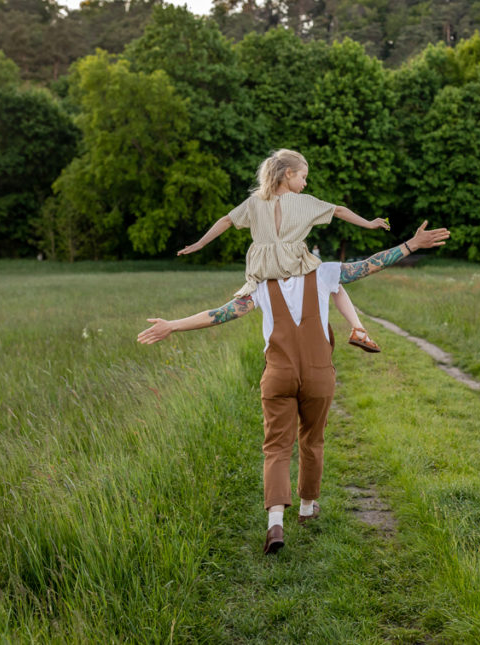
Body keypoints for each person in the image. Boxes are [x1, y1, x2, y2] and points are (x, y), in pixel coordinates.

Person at [138, 221, 450, 554]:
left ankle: (275, 522)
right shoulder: (326, 273)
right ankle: (306, 508)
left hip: (278, 375)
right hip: (318, 375)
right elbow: (371, 264)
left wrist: (173, 325)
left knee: (275, 447)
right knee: (312, 440)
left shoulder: (259, 286)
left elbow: (219, 314)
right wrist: (412, 244)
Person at [177, 149, 388, 353]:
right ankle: (358, 328)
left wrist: (200, 244)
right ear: (288, 173)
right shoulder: (305, 203)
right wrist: (369, 224)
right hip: (293, 263)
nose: (305, 183)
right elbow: (339, 210)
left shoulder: (254, 201)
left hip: (263, 268)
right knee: (334, 282)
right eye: (303, 177)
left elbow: (226, 220)